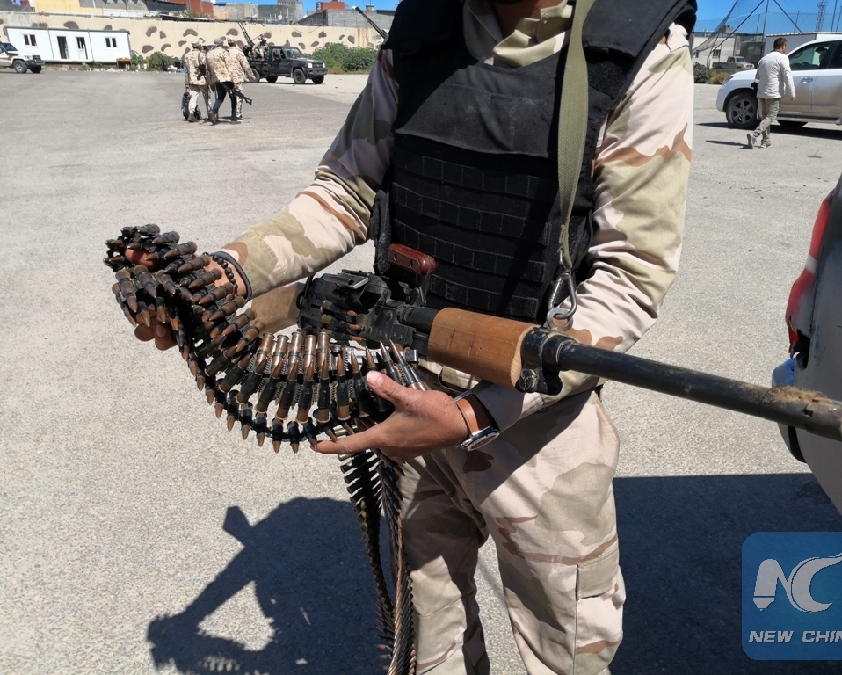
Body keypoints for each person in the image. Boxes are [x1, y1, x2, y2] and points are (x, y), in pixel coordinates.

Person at [134, 0, 695, 671]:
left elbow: (630, 276)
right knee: (427, 644)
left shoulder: (637, 48)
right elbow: (344, 191)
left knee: (567, 652)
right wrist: (223, 274)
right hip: (406, 384)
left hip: (537, 418)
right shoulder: (423, 30)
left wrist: (475, 413)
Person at [747, 37, 795, 149]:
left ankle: (766, 141)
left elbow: (757, 76)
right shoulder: (782, 57)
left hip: (761, 93)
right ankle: (755, 134)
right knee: (771, 116)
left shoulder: (764, 59)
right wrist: (792, 93)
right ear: (783, 46)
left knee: (765, 118)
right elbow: (788, 75)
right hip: (774, 93)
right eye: (786, 46)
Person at [207, 37, 236, 126]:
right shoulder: (224, 52)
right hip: (226, 78)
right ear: (220, 43)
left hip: (216, 79)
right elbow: (230, 65)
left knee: (220, 97)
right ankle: (233, 118)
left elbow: (208, 68)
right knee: (233, 97)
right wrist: (234, 80)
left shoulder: (209, 53)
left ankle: (213, 111)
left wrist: (211, 80)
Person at [227, 38, 254, 123]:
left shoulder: (225, 52)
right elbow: (246, 65)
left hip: (227, 78)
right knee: (239, 96)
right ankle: (237, 114)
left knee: (232, 96)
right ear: (235, 43)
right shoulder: (238, 52)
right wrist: (251, 76)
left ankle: (234, 114)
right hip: (237, 77)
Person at [183, 39, 209, 123]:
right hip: (201, 79)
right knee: (207, 97)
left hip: (192, 80)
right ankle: (209, 113)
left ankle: (191, 114)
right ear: (198, 46)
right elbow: (205, 67)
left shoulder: (187, 55)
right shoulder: (201, 55)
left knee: (193, 97)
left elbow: (186, 70)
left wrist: (186, 82)